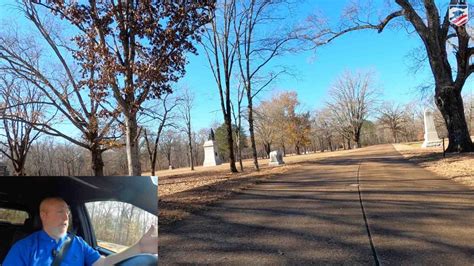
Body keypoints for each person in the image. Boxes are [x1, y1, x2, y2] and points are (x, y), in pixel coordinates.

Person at [3, 197, 157, 266]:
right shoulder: (24, 247)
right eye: (59, 212)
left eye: (67, 213)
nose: (66, 217)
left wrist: (139, 247)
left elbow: (103, 263)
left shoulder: (77, 242)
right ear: (44, 215)